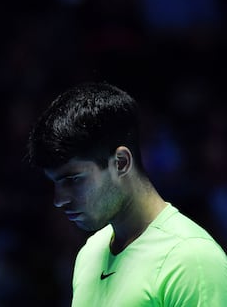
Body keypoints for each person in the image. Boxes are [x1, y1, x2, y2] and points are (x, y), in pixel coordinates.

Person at [27, 82, 227, 306]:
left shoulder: (192, 259)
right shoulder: (90, 253)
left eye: (73, 180)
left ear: (121, 163)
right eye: (55, 183)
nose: (59, 200)